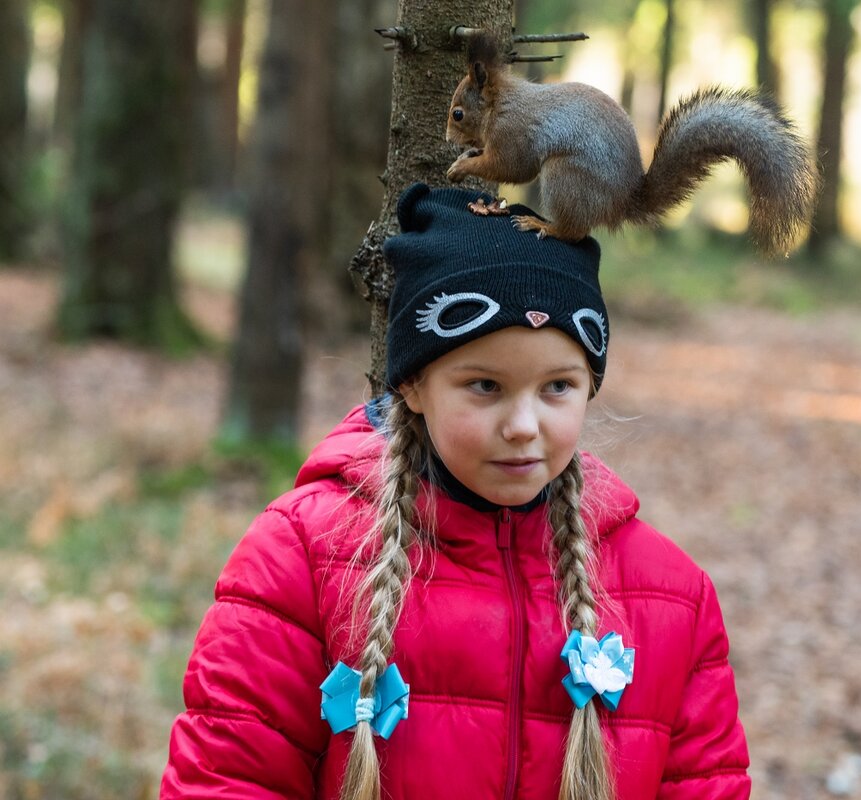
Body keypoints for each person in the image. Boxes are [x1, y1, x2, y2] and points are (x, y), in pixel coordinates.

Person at [160, 183, 750, 799]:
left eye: (557, 387)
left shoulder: (671, 599)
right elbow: (225, 781)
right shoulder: (300, 559)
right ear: (412, 386)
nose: (524, 425)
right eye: (485, 385)